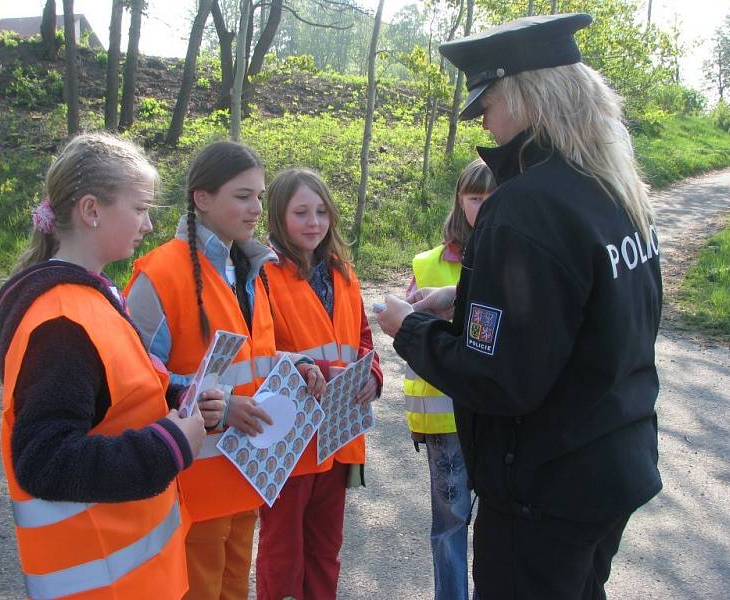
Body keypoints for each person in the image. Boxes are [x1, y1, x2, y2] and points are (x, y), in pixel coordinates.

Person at [375, 13, 663, 600]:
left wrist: (410, 330)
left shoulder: (524, 205)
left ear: (525, 96)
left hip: (544, 487)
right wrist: (462, 298)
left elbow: (497, 380)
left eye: (488, 103)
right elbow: (582, 305)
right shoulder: (609, 187)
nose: (483, 120)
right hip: (611, 462)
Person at [0, 132, 215, 599]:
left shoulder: (89, 299)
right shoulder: (60, 324)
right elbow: (43, 460)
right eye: (139, 209)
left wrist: (178, 401)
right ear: (91, 210)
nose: (149, 225)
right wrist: (170, 445)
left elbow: (114, 393)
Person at [126, 142, 325, 600]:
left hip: (246, 476)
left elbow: (253, 359)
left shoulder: (250, 270)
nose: (257, 208)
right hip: (192, 486)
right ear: (202, 199)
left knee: (234, 590)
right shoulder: (159, 275)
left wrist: (296, 366)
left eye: (259, 196)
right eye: (242, 196)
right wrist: (219, 407)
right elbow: (133, 381)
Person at [255, 168, 383, 600]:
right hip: (289, 437)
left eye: (322, 211)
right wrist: (302, 369)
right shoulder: (263, 275)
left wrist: (375, 374)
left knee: (326, 548)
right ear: (277, 216)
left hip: (338, 432)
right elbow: (258, 350)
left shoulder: (342, 272)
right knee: (282, 547)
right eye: (301, 213)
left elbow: (362, 337)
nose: (314, 222)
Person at [403, 158, 495, 600]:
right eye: (476, 198)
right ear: (460, 201)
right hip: (445, 420)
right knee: (451, 522)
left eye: (493, 197)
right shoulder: (426, 265)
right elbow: (411, 342)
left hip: (497, 413)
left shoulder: (517, 258)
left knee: (498, 521)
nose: (485, 206)